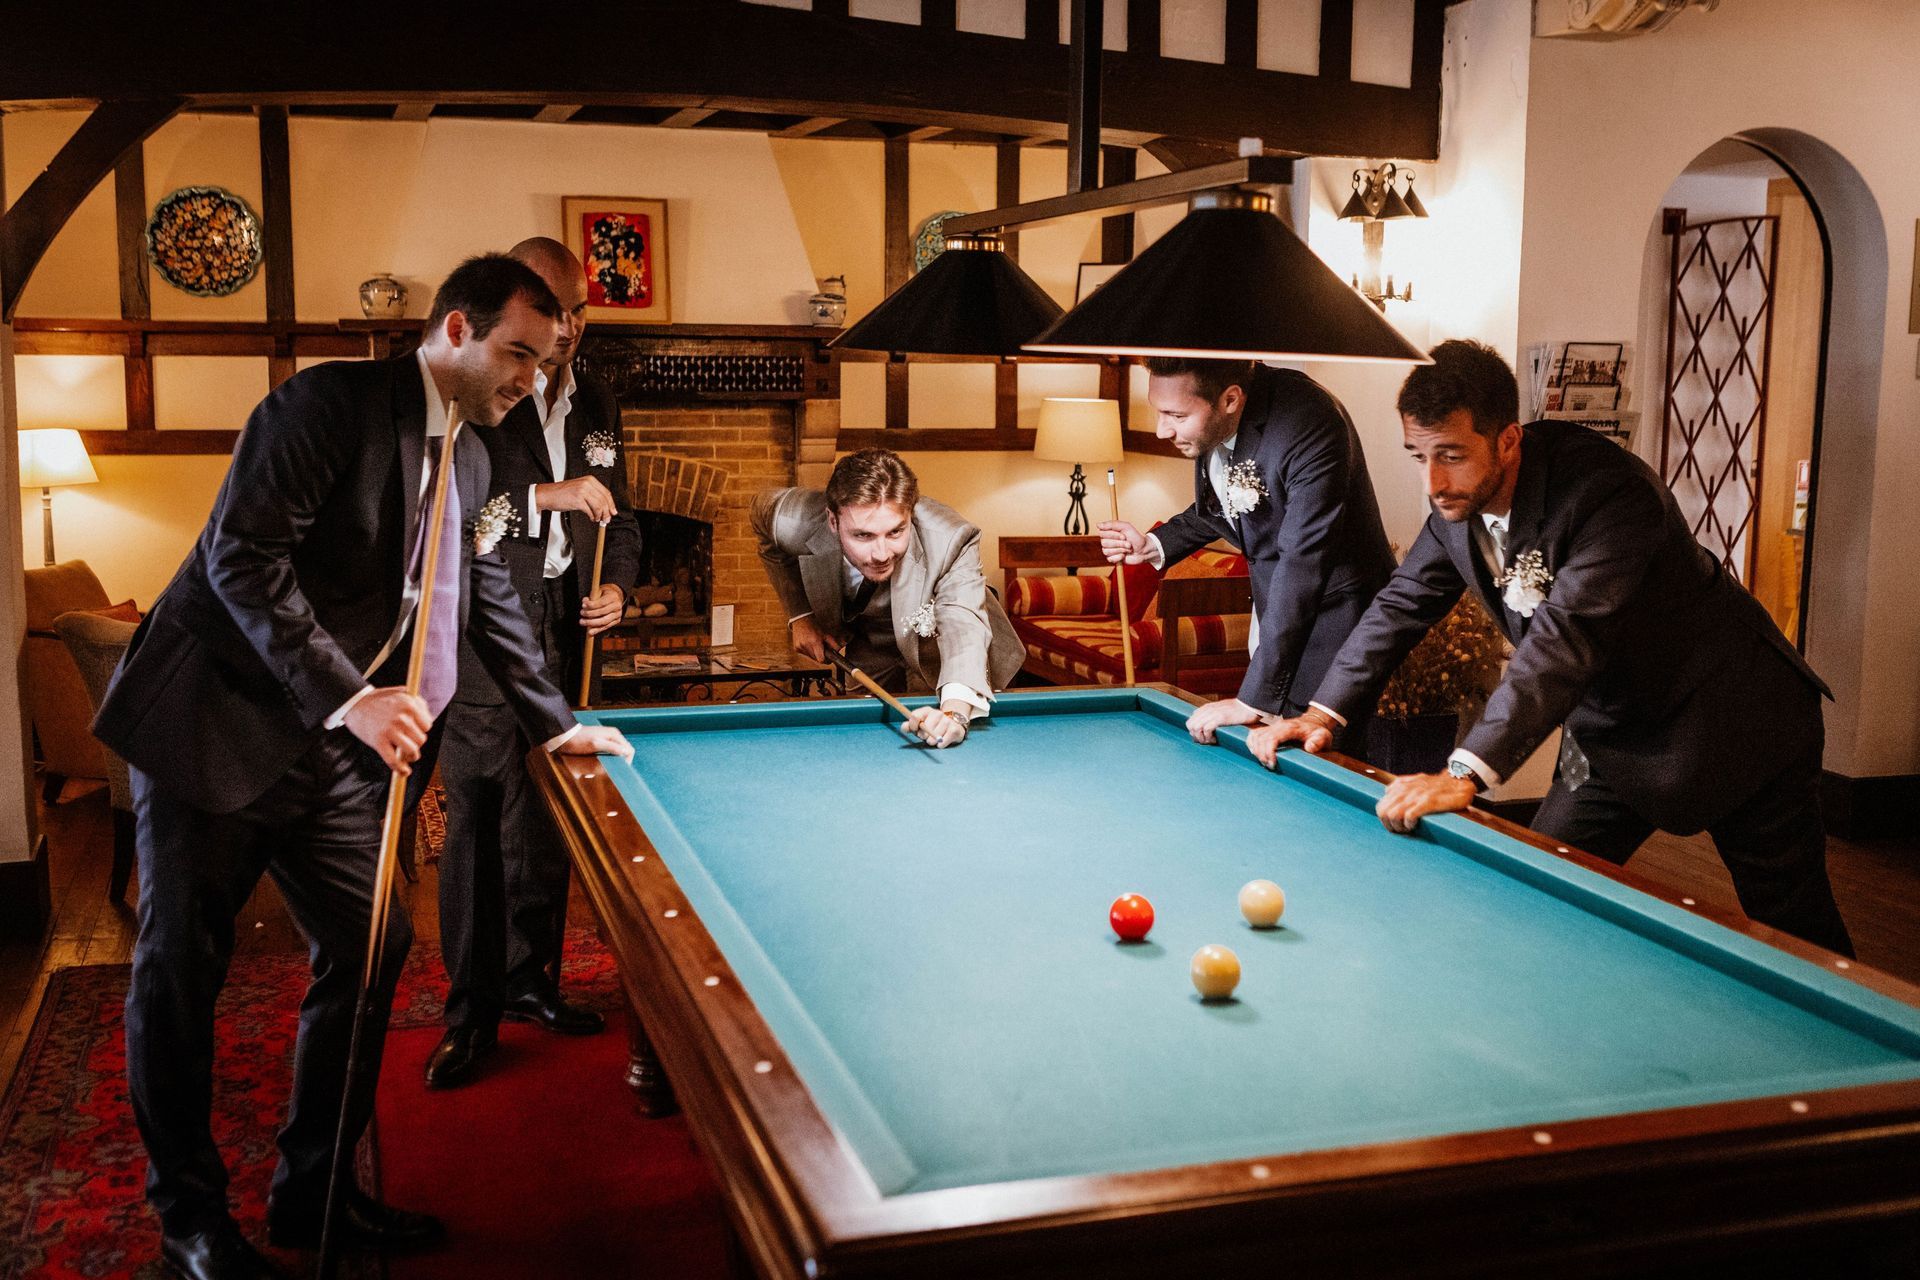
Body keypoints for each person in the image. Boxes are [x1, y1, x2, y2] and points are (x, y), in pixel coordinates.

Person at [91, 254, 634, 1280]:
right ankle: (190, 1220)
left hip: (334, 749)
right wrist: (350, 695)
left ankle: (314, 1185)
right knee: (179, 974)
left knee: (371, 947)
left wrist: (554, 722)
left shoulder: (474, 457)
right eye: (519, 352)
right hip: (217, 722)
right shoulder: (323, 404)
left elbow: (481, 589)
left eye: (546, 359)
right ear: (458, 327)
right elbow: (239, 559)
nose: (531, 378)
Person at [1250, 339, 1852, 956]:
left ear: (1508, 440)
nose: (1432, 482)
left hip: (1734, 718)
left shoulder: (1610, 495)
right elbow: (1398, 608)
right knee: (1536, 893)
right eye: (1419, 456)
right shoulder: (1457, 504)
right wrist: (1320, 715)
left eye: (1451, 455)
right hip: (1609, 731)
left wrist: (1463, 772)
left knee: (1792, 926)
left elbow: (1565, 640)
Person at [422, 238, 642, 1089]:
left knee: (549, 816)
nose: (570, 326)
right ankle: (471, 1016)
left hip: (558, 628)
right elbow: (453, 508)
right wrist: (549, 497)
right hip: (483, 633)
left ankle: (531, 983)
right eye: (554, 307)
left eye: (579, 310)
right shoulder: (479, 390)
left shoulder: (597, 401)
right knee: (478, 827)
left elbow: (619, 515)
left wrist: (618, 587)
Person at [1098, 358, 1394, 747]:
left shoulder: (1309, 423)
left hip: (1337, 615)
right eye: (1159, 411)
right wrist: (1154, 544)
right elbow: (1229, 503)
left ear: (1231, 399)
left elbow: (1302, 562)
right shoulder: (1219, 421)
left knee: (1318, 750)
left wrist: (1251, 699)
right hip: (1278, 606)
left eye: (1176, 415)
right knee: (1274, 745)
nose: (1161, 430)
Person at [752, 449, 1022, 748]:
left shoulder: (950, 539)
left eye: (895, 532)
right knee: (865, 744)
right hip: (869, 643)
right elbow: (763, 529)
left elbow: (963, 623)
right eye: (863, 536)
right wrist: (799, 615)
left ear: (911, 513)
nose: (881, 554)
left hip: (940, 649)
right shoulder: (793, 519)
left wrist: (954, 714)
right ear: (832, 521)